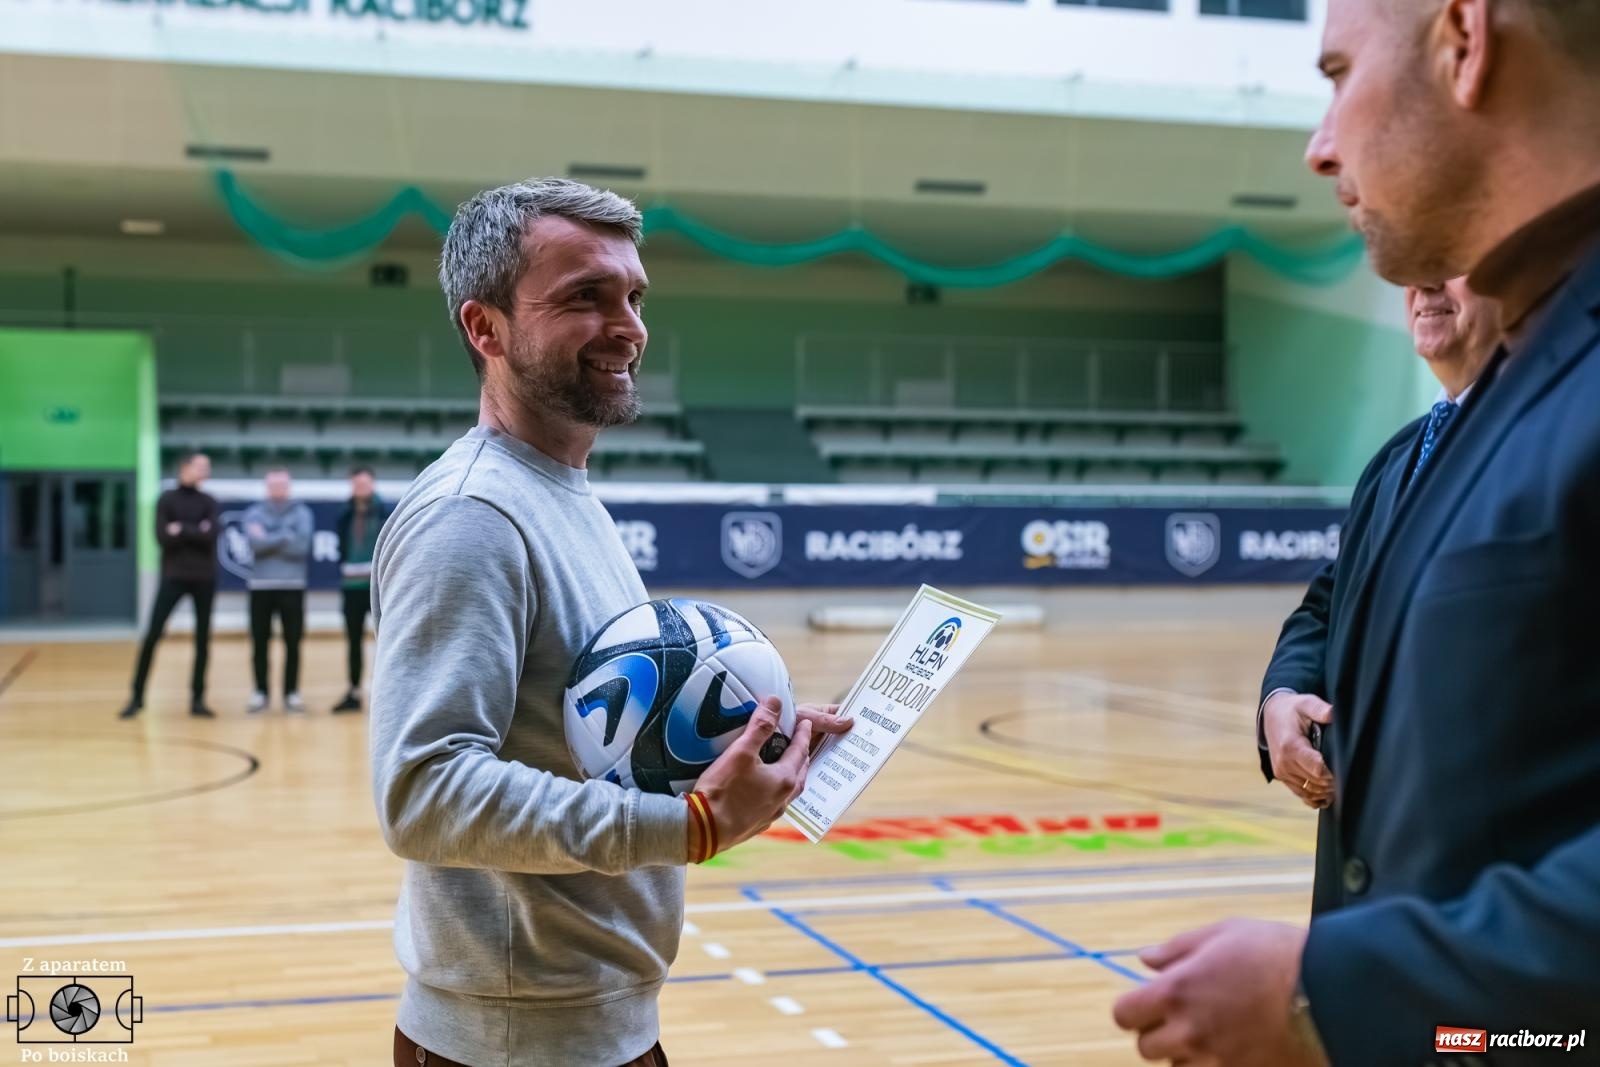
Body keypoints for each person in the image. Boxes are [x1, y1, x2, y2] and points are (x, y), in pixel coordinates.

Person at [1114, 2, 1600, 1063]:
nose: (1320, 141)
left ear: (1463, 42)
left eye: (1338, 73)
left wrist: (1329, 988)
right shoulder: (1509, 382)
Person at [368, 178, 849, 1067]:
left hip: (597, 1026)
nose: (628, 325)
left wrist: (741, 738)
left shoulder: (560, 492)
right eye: (585, 296)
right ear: (486, 328)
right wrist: (691, 826)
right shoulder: (472, 516)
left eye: (632, 295)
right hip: (512, 1045)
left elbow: (581, 736)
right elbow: (421, 792)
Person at [1257, 277, 1499, 915]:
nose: (1420, 282)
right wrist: (1280, 701)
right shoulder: (1396, 454)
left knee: (1469, 1026)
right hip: (1361, 858)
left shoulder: (1554, 446)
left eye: (1447, 258)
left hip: (1473, 881)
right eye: (1412, 265)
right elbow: (1327, 605)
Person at [119, 451, 220, 720]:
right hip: (173, 576)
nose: (205, 470)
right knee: (153, 635)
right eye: (201, 466)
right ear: (185, 467)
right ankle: (137, 696)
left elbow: (211, 536)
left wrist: (182, 530)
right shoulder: (167, 498)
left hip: (204, 578)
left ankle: (198, 699)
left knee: (202, 640)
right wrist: (196, 530)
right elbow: (163, 536)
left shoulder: (209, 501)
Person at [243, 468, 313, 714]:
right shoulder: (253, 512)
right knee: (260, 642)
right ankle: (260, 692)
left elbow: (301, 547)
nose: (278, 490)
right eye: (273, 485)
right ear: (267, 487)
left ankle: (291, 693)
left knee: (293, 642)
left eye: (282, 485)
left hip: (292, 587)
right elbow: (255, 545)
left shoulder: (302, 513)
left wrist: (268, 537)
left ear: (288, 487)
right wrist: (285, 536)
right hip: (260, 587)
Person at [332, 466, 389, 713]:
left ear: (372, 485)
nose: (360, 489)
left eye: (364, 484)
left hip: (379, 587)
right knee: (353, 641)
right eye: (356, 485)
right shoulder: (344, 513)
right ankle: (354, 692)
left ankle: (388, 695)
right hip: (351, 587)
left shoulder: (386, 512)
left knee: (388, 643)